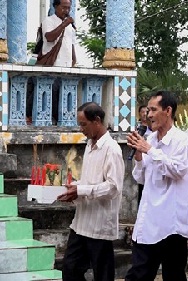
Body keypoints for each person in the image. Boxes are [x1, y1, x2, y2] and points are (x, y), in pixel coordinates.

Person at [125, 91, 188, 281]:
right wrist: (139, 157)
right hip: (149, 219)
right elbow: (140, 178)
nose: (149, 115)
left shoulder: (181, 140)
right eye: (148, 110)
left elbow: (178, 170)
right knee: (139, 274)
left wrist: (149, 151)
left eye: (154, 110)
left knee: (173, 275)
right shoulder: (151, 140)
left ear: (168, 111)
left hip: (170, 223)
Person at [57, 102, 125, 281]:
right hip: (81, 222)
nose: (81, 129)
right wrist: (74, 188)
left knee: (102, 274)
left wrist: (81, 189)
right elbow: (89, 181)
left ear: (97, 121)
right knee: (70, 270)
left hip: (100, 223)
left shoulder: (112, 149)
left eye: (84, 124)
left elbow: (113, 187)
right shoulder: (89, 144)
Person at [41, 0, 76, 67]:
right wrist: (64, 24)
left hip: (67, 64)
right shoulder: (48, 20)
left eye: (68, 8)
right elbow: (49, 38)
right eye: (63, 7)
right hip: (53, 63)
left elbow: (71, 43)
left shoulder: (69, 25)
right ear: (56, 7)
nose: (66, 11)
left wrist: (74, 60)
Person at [136, 105, 152, 207]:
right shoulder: (138, 128)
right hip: (142, 163)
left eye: (148, 111)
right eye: (143, 112)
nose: (146, 114)